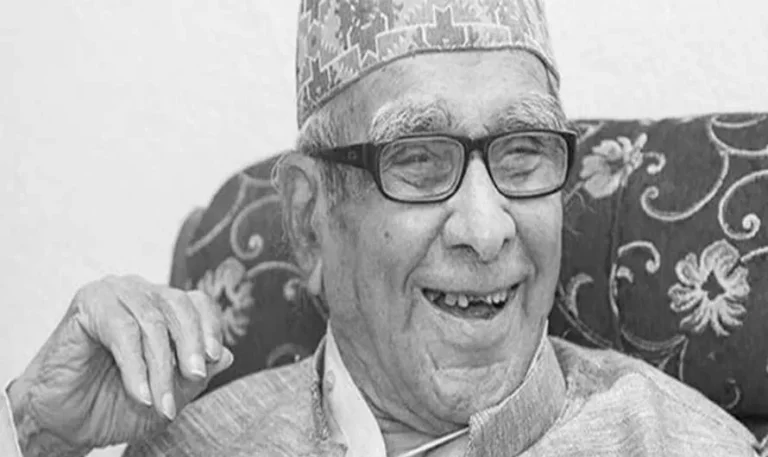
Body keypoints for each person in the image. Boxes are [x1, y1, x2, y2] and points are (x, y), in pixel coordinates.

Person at [1, 0, 763, 456]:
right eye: (419, 159)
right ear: (309, 220)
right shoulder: (194, 443)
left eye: (523, 152)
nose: (486, 229)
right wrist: (34, 429)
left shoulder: (682, 443)